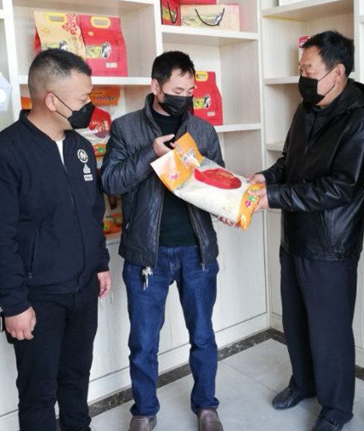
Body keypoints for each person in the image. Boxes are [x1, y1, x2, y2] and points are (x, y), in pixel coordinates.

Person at [250, 31, 364, 431]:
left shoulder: (361, 123)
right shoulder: (305, 110)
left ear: (337, 73)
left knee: (329, 332)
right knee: (296, 322)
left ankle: (337, 408)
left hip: (330, 246)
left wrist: (274, 197)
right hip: (294, 237)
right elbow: (289, 162)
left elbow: (340, 188)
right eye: (300, 69)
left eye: (308, 70)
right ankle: (303, 383)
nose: (302, 77)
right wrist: (266, 177)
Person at [101, 51, 223, 431]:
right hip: (146, 254)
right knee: (143, 342)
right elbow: (111, 182)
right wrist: (149, 155)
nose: (183, 98)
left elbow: (216, 180)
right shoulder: (126, 129)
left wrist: (227, 205)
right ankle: (144, 410)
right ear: (156, 86)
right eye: (176, 90)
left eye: (189, 91)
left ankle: (206, 406)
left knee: (202, 335)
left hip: (196, 250)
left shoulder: (203, 131)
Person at [0, 48, 111, 431]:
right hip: (37, 297)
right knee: (39, 393)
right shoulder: (8, 150)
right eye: (83, 99)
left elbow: (93, 212)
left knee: (77, 378)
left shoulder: (81, 147)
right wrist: (13, 303)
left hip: (83, 290)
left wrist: (99, 263)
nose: (88, 108)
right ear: (51, 100)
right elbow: (2, 236)